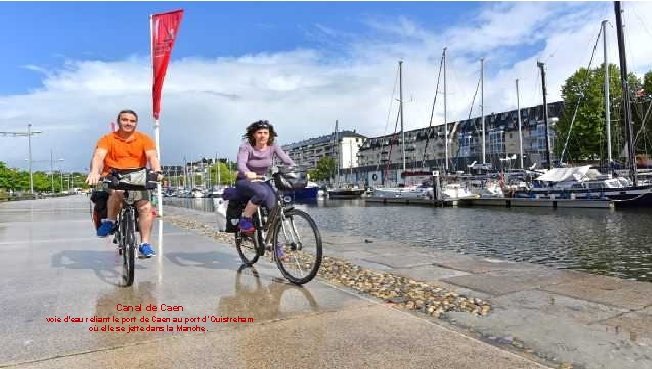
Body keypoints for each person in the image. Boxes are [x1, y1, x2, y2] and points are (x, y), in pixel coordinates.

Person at [85, 109, 162, 258]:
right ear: (119, 121)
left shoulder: (144, 139)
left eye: (132, 121)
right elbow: (98, 156)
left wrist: (157, 171)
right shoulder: (107, 139)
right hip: (112, 176)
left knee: (145, 206)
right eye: (125, 120)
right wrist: (95, 172)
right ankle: (110, 221)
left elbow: (152, 157)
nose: (128, 123)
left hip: (136, 177)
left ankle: (144, 244)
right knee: (117, 192)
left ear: (136, 123)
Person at [236, 120, 295, 233]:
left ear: (269, 135)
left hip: (262, 180)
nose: (263, 135)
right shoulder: (246, 147)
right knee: (261, 193)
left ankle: (273, 243)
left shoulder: (272, 146)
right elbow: (241, 164)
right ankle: (245, 220)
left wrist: (296, 169)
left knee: (274, 209)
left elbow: (286, 160)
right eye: (259, 132)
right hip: (244, 180)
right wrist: (247, 172)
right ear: (254, 134)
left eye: (265, 132)